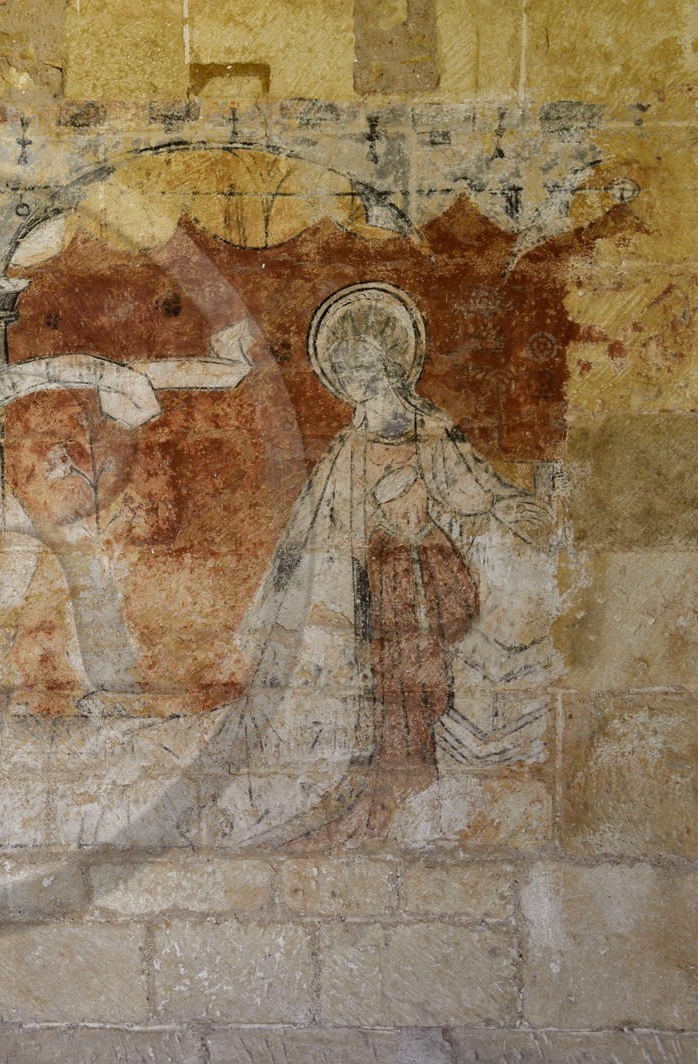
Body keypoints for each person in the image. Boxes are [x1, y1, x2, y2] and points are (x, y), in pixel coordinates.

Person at [204, 282, 551, 847]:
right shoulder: (350, 440)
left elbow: (475, 489)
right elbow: (313, 523)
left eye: (364, 368)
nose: (356, 383)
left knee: (416, 683)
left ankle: (408, 796)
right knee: (382, 690)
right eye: (346, 372)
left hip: (417, 575)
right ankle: (380, 795)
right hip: (365, 583)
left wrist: (515, 510)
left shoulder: (428, 427)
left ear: (390, 367)